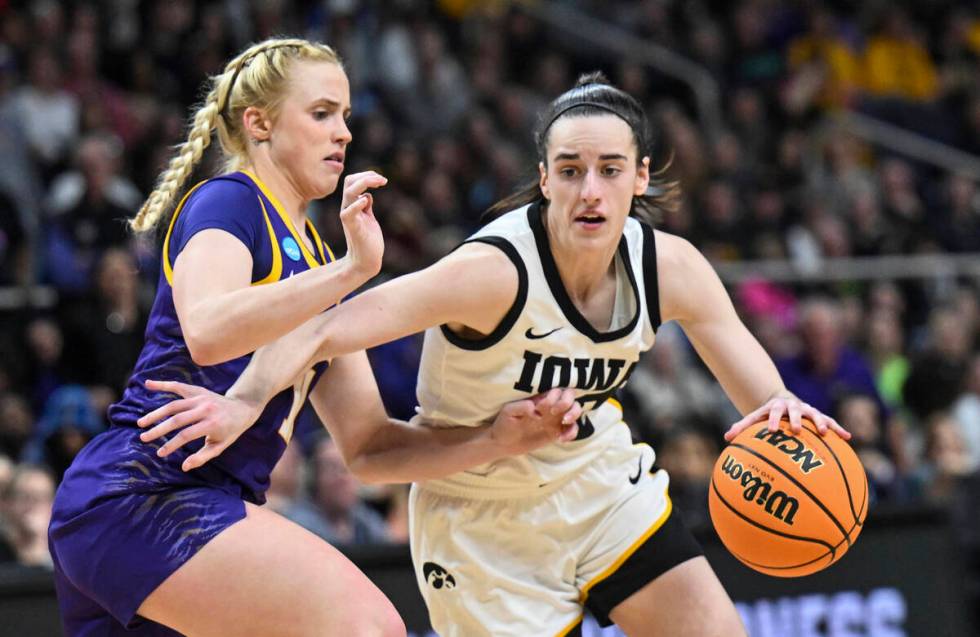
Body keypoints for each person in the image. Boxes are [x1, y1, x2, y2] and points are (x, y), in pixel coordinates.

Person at [140, 73, 849, 637]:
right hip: (479, 516)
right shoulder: (492, 272)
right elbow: (325, 328)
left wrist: (777, 409)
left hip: (595, 484)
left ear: (640, 178)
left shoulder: (673, 268)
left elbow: (765, 401)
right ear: (544, 179)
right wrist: (244, 397)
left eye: (609, 169)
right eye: (570, 170)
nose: (590, 190)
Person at [48, 37, 582, 637]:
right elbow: (207, 329)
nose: (344, 133)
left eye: (346, 116)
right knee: (368, 626)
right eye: (323, 113)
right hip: (144, 494)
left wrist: (496, 439)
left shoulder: (322, 262)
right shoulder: (231, 202)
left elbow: (371, 448)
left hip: (195, 512)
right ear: (260, 124)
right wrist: (350, 272)